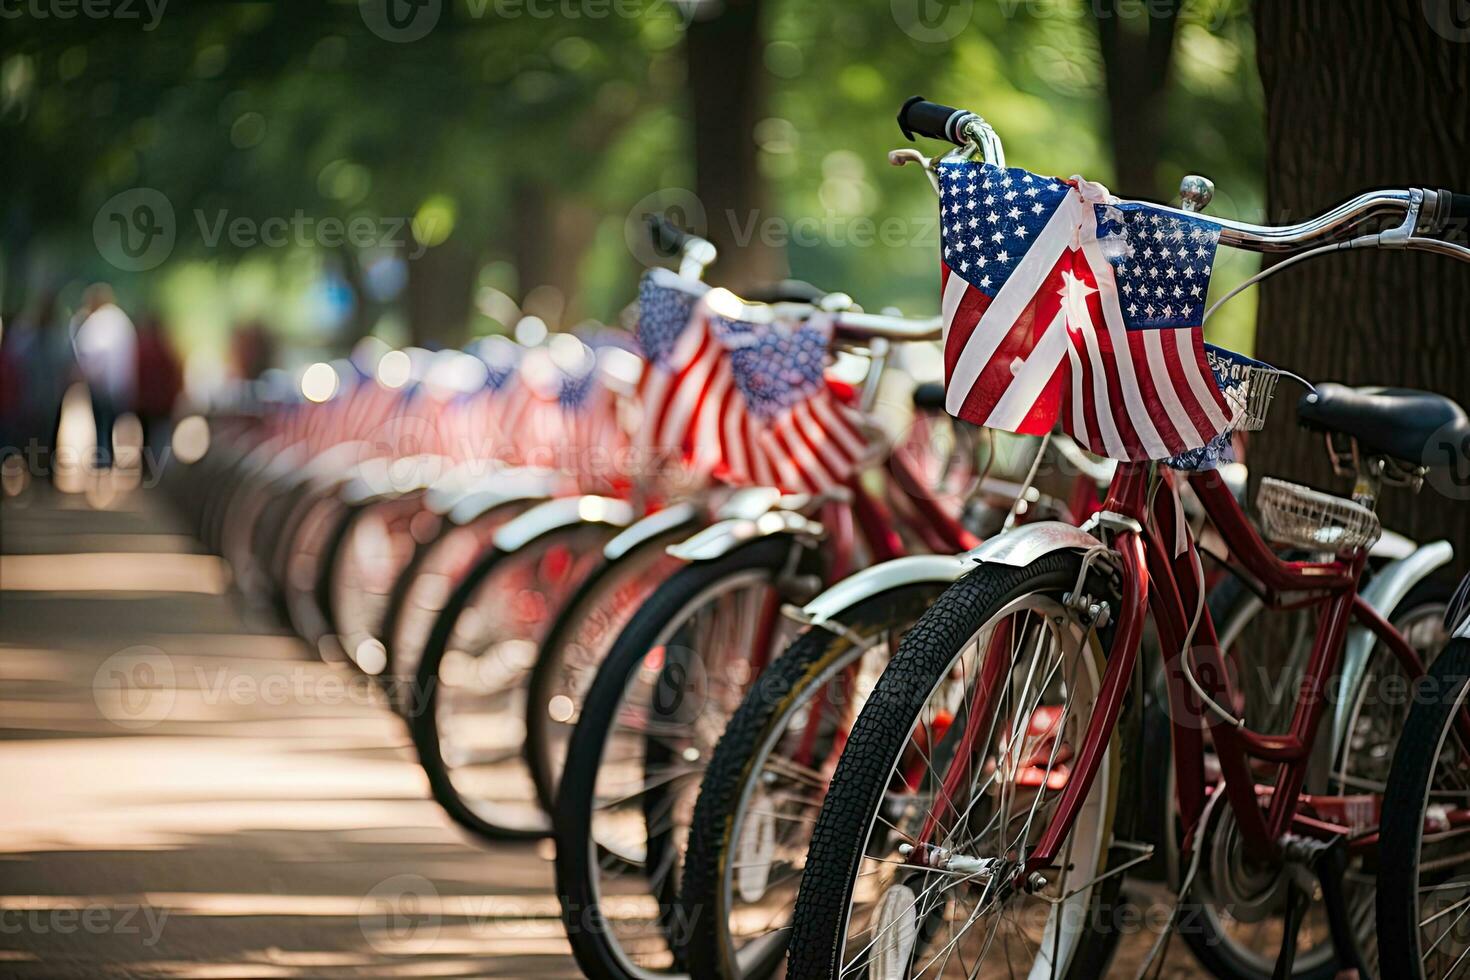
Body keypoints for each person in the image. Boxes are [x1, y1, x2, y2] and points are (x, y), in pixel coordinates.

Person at [69, 284, 136, 468]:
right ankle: (110, 461)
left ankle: (103, 462)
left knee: (101, 425)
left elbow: (91, 353)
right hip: (122, 385)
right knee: (114, 424)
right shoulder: (122, 320)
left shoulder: (98, 321)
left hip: (101, 385)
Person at [134, 314, 183, 478]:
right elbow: (175, 376)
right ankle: (157, 473)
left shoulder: (141, 348)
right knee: (159, 441)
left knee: (146, 439)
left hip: (145, 404)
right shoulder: (166, 348)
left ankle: (147, 472)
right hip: (161, 405)